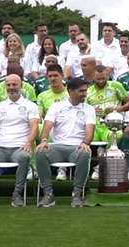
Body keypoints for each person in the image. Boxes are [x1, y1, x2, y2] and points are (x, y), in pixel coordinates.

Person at [0, 74, 39, 208]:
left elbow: (34, 126)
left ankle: (17, 194)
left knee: (24, 157)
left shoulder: (30, 106)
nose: (11, 88)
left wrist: (28, 143)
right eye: (8, 85)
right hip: (0, 149)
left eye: (14, 84)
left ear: (21, 86)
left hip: (20, 148)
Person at [36, 77, 96, 208]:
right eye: (81, 91)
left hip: (76, 148)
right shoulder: (57, 106)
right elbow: (47, 125)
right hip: (57, 146)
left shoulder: (89, 109)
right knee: (40, 152)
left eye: (85, 91)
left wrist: (86, 142)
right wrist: (44, 140)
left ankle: (77, 194)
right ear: (70, 91)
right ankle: (48, 194)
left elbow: (90, 130)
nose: (85, 94)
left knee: (85, 153)